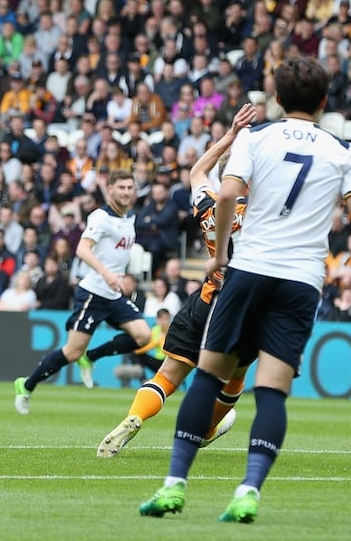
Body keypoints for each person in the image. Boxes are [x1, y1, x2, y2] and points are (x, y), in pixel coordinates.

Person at [139, 57, 351, 523]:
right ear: (325, 102)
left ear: (277, 99)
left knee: (207, 378)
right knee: (271, 392)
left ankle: (173, 486)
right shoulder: (344, 150)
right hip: (301, 281)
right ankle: (248, 490)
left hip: (249, 269)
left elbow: (225, 195)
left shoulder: (255, 137)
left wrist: (220, 253)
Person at [97, 103, 256, 458]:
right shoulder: (262, 211)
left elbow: (197, 171)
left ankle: (134, 417)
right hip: (243, 304)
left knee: (168, 374)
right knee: (235, 378)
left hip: (205, 300)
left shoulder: (209, 205)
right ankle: (206, 429)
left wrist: (229, 135)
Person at [12, 169, 152, 413]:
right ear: (110, 189)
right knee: (72, 351)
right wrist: (107, 274)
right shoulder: (100, 217)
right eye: (122, 188)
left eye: (130, 188)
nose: (127, 192)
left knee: (143, 336)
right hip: (93, 294)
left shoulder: (129, 218)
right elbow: (83, 250)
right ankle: (26, 385)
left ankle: (93, 357)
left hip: (114, 294)